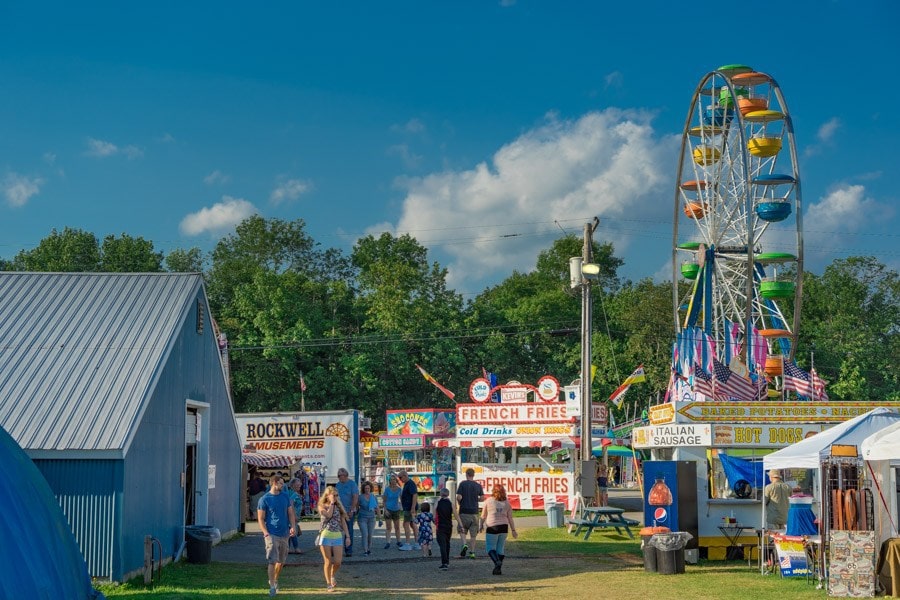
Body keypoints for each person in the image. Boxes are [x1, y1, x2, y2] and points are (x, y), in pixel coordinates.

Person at [257, 475, 298, 597]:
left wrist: (293, 526)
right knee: (272, 560)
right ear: (274, 483)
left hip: (284, 533)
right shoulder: (264, 499)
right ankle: (272, 586)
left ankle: (275, 580)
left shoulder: (285, 496)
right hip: (271, 533)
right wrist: (265, 532)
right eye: (281, 483)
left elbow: (290, 513)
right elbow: (260, 518)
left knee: (281, 561)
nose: (283, 486)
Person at [317, 485, 351, 592]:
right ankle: (328, 584)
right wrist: (331, 503)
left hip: (337, 535)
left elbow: (343, 522)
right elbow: (328, 515)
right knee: (327, 561)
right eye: (333, 495)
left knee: (338, 562)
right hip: (326, 534)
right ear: (327, 495)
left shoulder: (338, 506)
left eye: (337, 495)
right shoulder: (322, 505)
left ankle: (332, 574)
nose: (335, 497)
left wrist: (348, 536)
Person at [480, 483, 517, 575]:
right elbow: (510, 518)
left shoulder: (488, 501)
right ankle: (498, 569)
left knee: (490, 548)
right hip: (504, 527)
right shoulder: (507, 503)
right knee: (500, 548)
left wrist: (480, 525)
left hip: (492, 526)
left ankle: (497, 562)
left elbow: (483, 515)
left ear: (493, 491)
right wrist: (513, 530)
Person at [456, 467, 484, 558]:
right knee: (473, 534)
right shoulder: (478, 485)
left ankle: (464, 544)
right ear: (473, 475)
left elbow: (459, 497)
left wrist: (459, 502)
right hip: (474, 512)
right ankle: (472, 552)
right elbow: (482, 498)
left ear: (466, 475)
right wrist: (476, 499)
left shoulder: (462, 484)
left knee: (462, 529)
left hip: (464, 511)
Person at [335, 468, 359, 557]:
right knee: (336, 530)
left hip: (349, 511)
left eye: (340, 476)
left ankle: (348, 550)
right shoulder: (337, 485)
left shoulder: (352, 484)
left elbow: (355, 497)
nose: (339, 478)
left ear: (345, 476)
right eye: (338, 476)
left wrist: (352, 510)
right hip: (339, 510)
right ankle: (335, 549)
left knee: (349, 531)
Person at [397, 470, 420, 550]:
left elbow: (414, 495)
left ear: (404, 476)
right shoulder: (407, 484)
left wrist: (413, 507)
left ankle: (408, 543)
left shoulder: (410, 484)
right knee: (412, 524)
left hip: (409, 508)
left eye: (400, 477)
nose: (400, 479)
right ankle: (417, 542)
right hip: (408, 507)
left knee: (406, 524)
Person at [435, 487, 456, 570]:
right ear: (448, 494)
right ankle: (447, 561)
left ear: (440, 494)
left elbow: (433, 515)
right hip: (449, 526)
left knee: (442, 544)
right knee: (447, 543)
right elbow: (456, 515)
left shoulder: (438, 503)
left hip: (440, 526)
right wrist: (460, 524)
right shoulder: (451, 503)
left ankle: (444, 563)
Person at [357, 481, 378, 556]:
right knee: (365, 534)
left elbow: (377, 508)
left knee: (370, 535)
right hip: (362, 518)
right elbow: (356, 507)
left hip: (372, 518)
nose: (367, 490)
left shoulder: (373, 497)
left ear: (370, 488)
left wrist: (380, 518)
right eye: (365, 488)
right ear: (363, 489)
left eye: (368, 488)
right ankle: (365, 550)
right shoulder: (360, 497)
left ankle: (369, 549)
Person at [381, 473, 403, 549]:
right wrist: (385, 509)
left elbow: (401, 499)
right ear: (389, 481)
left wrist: (401, 506)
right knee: (388, 527)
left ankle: (399, 541)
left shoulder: (399, 489)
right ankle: (388, 542)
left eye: (394, 479)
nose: (393, 481)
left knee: (397, 527)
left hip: (396, 509)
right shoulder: (387, 489)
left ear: (396, 480)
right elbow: (384, 501)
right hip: (388, 509)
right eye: (391, 480)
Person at [286, 478, 305, 554]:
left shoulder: (292, 492)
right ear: (293, 485)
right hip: (292, 516)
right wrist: (294, 516)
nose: (299, 485)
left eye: (300, 484)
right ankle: (296, 548)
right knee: (293, 532)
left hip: (292, 515)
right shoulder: (293, 493)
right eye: (297, 484)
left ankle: (288, 548)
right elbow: (291, 504)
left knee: (290, 531)